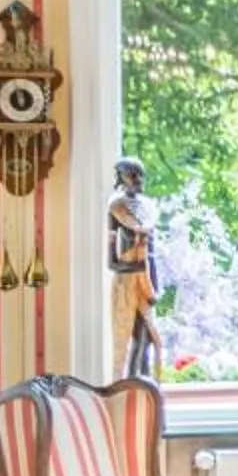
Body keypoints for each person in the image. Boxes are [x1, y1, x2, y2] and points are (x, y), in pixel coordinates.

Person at [107, 158, 162, 380]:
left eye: (140, 174)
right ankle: (132, 383)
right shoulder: (116, 208)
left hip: (148, 279)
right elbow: (111, 262)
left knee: (147, 336)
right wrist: (134, 266)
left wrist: (151, 279)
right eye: (132, 175)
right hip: (127, 281)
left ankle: (143, 382)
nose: (138, 179)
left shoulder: (149, 207)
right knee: (128, 337)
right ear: (121, 178)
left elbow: (151, 253)